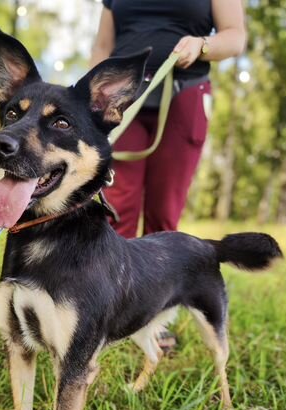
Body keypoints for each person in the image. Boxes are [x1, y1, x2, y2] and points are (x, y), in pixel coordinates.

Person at [90, 0, 246, 238]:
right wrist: (90, 102)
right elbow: (102, 46)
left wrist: (202, 45)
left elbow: (236, 36)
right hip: (120, 103)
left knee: (163, 214)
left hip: (184, 95)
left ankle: (161, 275)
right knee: (115, 211)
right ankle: (115, 275)